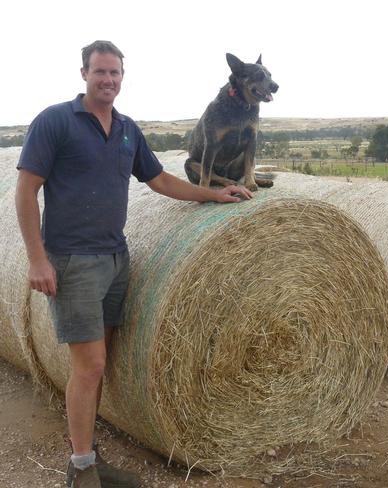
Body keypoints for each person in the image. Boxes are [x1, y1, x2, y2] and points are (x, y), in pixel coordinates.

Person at [15, 40, 253, 488]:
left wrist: (215, 194)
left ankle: (87, 458)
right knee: (89, 366)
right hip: (73, 261)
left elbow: (160, 180)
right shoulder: (55, 121)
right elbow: (27, 190)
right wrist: (36, 259)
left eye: (115, 73)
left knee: (99, 364)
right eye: (100, 72)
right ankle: (81, 470)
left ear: (123, 77)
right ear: (83, 73)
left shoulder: (126, 129)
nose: (108, 80)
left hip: (115, 259)